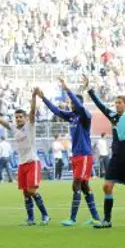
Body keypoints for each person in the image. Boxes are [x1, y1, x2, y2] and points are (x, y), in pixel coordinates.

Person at [37, 76, 100, 226]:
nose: (71, 105)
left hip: (84, 155)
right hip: (76, 155)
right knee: (84, 187)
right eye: (70, 103)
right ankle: (96, 217)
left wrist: (67, 89)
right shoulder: (72, 117)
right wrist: (43, 97)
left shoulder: (85, 116)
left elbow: (79, 104)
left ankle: (72, 218)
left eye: (73, 103)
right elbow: (56, 110)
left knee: (76, 184)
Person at [0, 88, 50, 225]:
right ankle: (31, 219)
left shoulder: (30, 126)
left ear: (25, 118)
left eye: (21, 117)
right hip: (22, 164)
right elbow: (1, 120)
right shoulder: (14, 127)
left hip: (32, 162)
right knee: (25, 193)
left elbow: (33, 111)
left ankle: (45, 215)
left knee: (32, 191)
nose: (18, 119)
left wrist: (33, 97)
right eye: (16, 117)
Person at [88, 78, 125, 228]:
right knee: (107, 186)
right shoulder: (112, 116)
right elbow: (100, 105)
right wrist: (90, 90)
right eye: (116, 103)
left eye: (120, 103)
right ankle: (107, 220)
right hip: (116, 157)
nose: (117, 105)